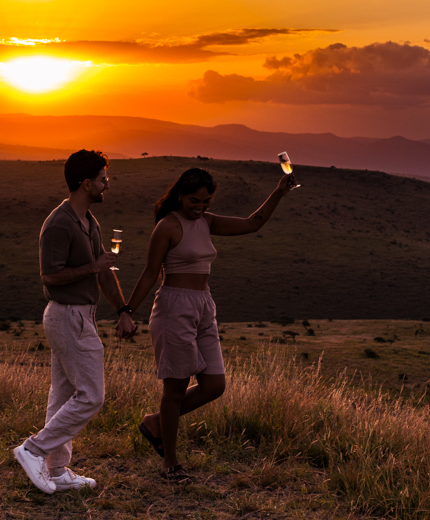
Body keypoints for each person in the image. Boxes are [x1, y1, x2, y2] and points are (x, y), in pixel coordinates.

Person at [122, 166, 299, 481]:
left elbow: (251, 224)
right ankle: (170, 464)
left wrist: (278, 193)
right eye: (194, 200)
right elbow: (150, 273)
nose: (200, 206)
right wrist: (126, 311)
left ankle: (155, 423)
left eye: (205, 201)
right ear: (180, 195)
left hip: (205, 306)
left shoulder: (207, 222)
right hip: (174, 307)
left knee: (215, 385)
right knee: (174, 389)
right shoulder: (167, 226)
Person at [13, 149, 138, 494]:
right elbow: (50, 277)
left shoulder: (90, 222)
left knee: (63, 394)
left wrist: (123, 310)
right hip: (66, 315)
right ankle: (32, 450)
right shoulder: (59, 224)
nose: (106, 185)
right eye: (102, 179)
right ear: (86, 184)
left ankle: (56, 470)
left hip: (82, 315)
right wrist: (93, 268)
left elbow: (103, 272)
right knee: (91, 396)